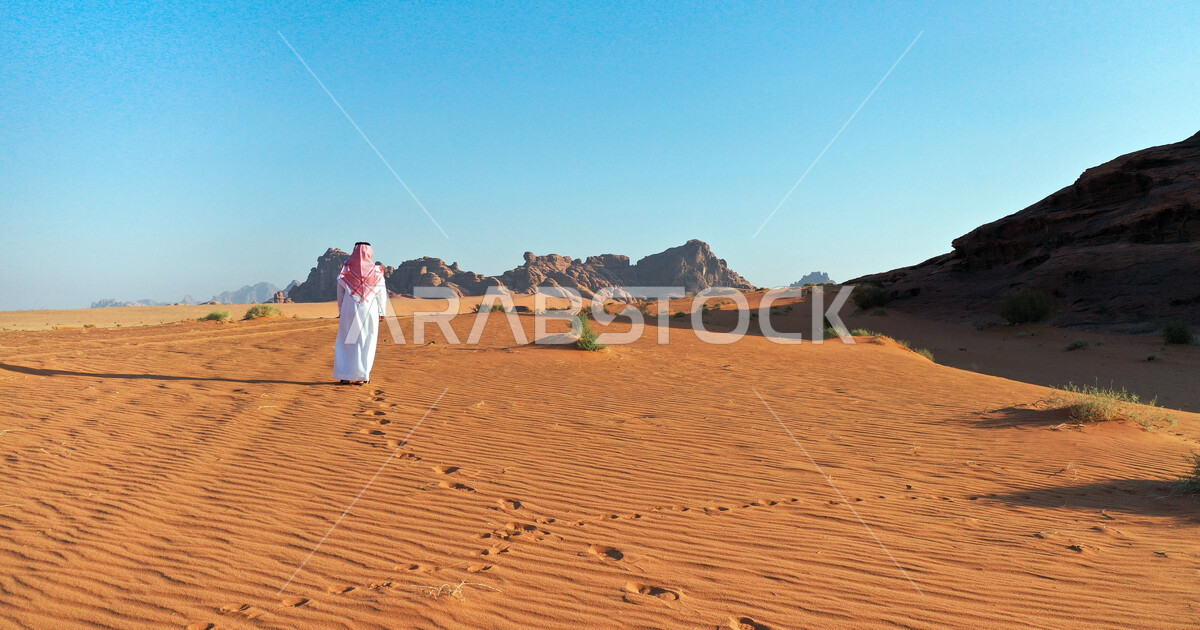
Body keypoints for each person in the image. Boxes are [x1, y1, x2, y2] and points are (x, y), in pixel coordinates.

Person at [334, 242, 388, 385]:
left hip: (349, 307)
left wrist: (341, 310)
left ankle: (345, 375)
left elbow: (340, 293)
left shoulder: (346, 269)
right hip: (370, 308)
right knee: (367, 340)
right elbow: (381, 293)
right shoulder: (377, 271)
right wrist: (382, 311)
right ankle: (362, 376)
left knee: (347, 340)